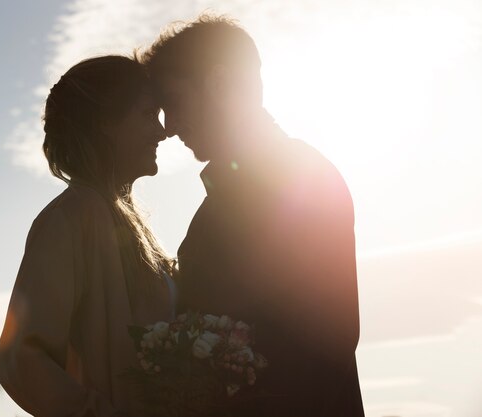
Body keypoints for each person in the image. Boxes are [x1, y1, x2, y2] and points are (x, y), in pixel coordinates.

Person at [140, 15, 364, 416]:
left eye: (174, 102)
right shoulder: (214, 206)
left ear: (220, 83)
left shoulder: (301, 177)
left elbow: (325, 340)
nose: (170, 127)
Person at [0, 55, 176, 417]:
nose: (162, 131)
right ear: (105, 124)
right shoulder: (70, 218)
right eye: (147, 115)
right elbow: (20, 359)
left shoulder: (126, 222)